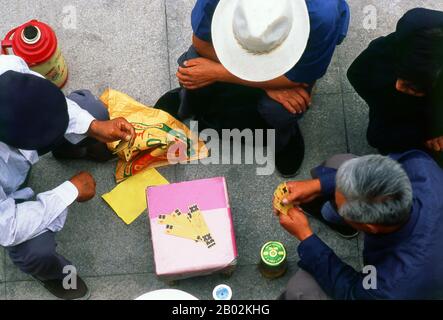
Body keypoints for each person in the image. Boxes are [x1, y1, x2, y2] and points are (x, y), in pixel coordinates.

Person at [157, 0, 350, 177]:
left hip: (294, 61)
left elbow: (302, 78)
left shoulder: (322, 15)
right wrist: (267, 82)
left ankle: (284, 137)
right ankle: (187, 100)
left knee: (285, 108)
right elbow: (201, 43)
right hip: (248, 56)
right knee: (191, 68)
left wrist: (219, 73)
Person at [0, 55, 135, 300]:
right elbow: (7, 226)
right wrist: (70, 191)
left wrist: (93, 125)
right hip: (5, 202)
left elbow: (48, 102)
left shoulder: (7, 68)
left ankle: (73, 148)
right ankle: (50, 274)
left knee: (93, 109)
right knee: (36, 251)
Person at [276, 151, 443, 299]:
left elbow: (351, 293)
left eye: (341, 210)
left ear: (370, 228)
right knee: (339, 162)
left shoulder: (392, 285)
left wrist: (305, 236)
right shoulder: (420, 165)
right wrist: (318, 186)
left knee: (301, 290)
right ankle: (341, 220)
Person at [347, 8, 443, 166]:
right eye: (402, 77)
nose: (399, 86)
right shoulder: (392, 48)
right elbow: (357, 74)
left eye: (413, 87)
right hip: (397, 113)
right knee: (380, 137)